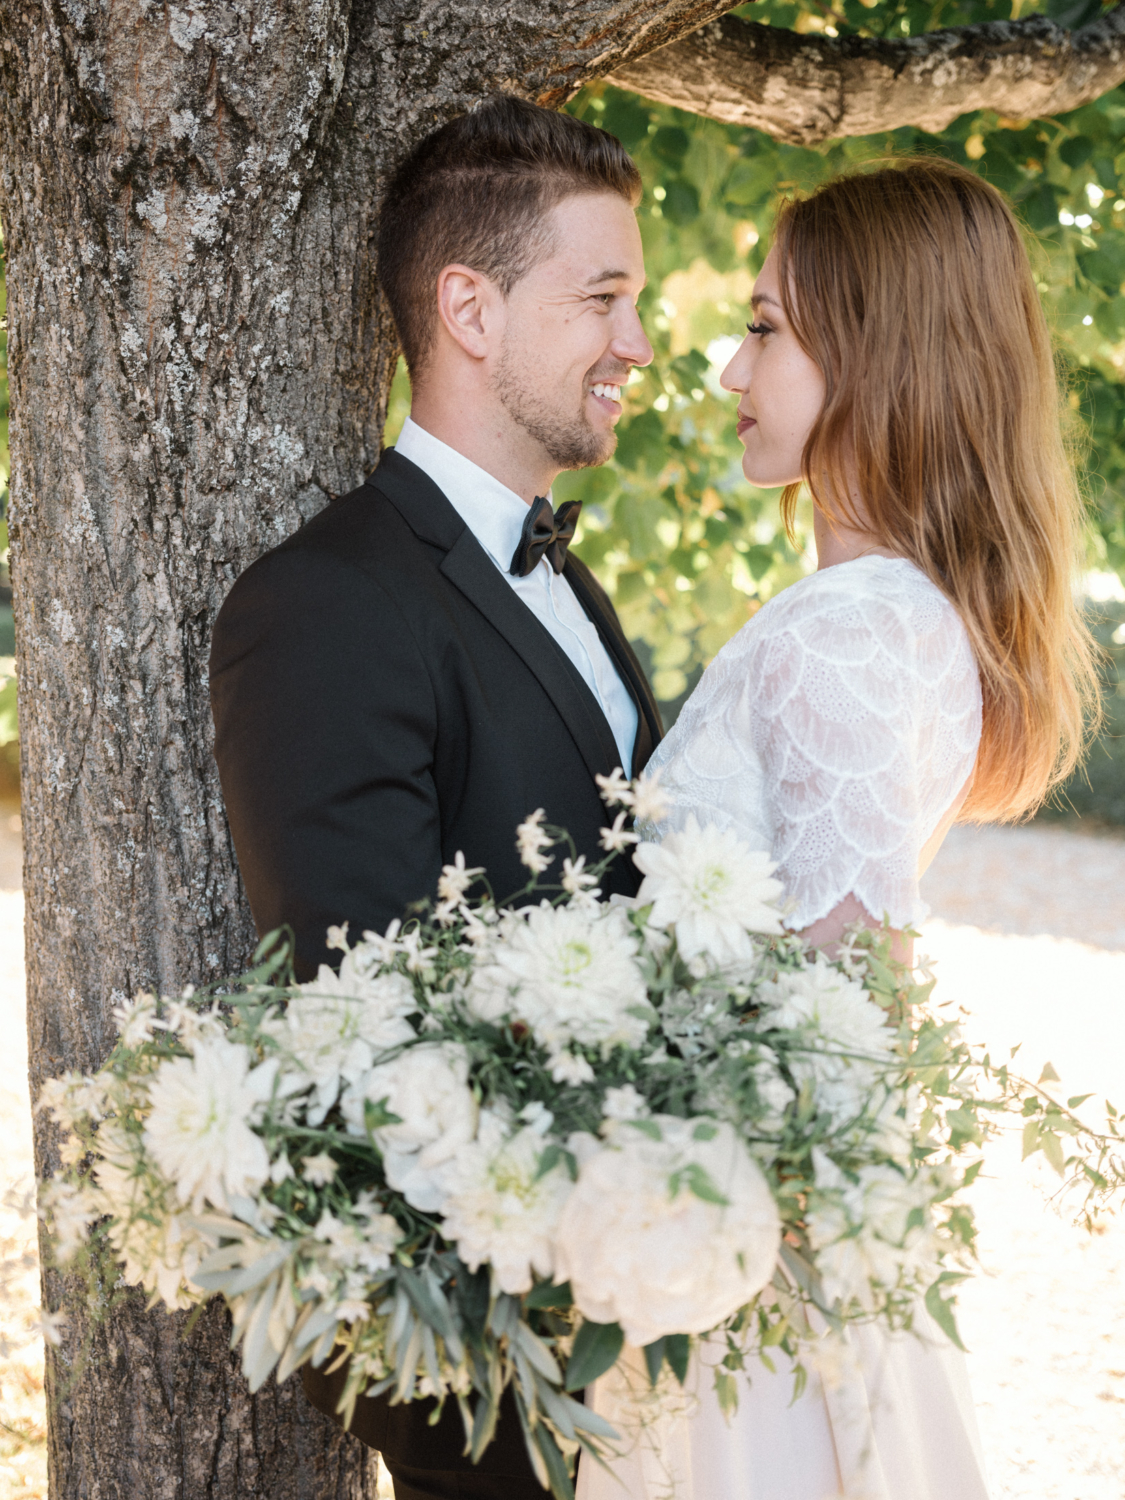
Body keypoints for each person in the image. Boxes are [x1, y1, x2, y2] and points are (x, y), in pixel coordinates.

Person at [577, 159, 1098, 1500]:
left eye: (762, 329)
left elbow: (845, 990)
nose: (725, 370)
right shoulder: (897, 612)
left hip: (761, 1272)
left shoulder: (854, 628)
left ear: (872, 351)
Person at [209, 97, 662, 1500]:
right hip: (499, 1385)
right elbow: (363, 1030)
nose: (637, 345)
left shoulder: (566, 577)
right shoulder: (329, 603)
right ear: (468, 308)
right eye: (602, 298)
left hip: (636, 1330)